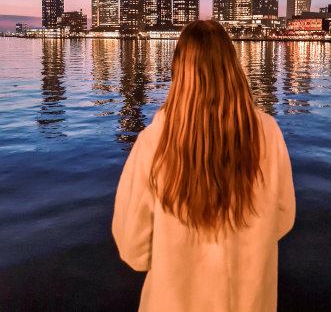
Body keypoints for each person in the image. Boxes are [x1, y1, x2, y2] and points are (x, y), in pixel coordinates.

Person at [112, 20, 295, 312]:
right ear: (232, 66)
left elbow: (133, 249)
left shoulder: (153, 143)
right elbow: (283, 219)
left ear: (179, 69)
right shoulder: (268, 133)